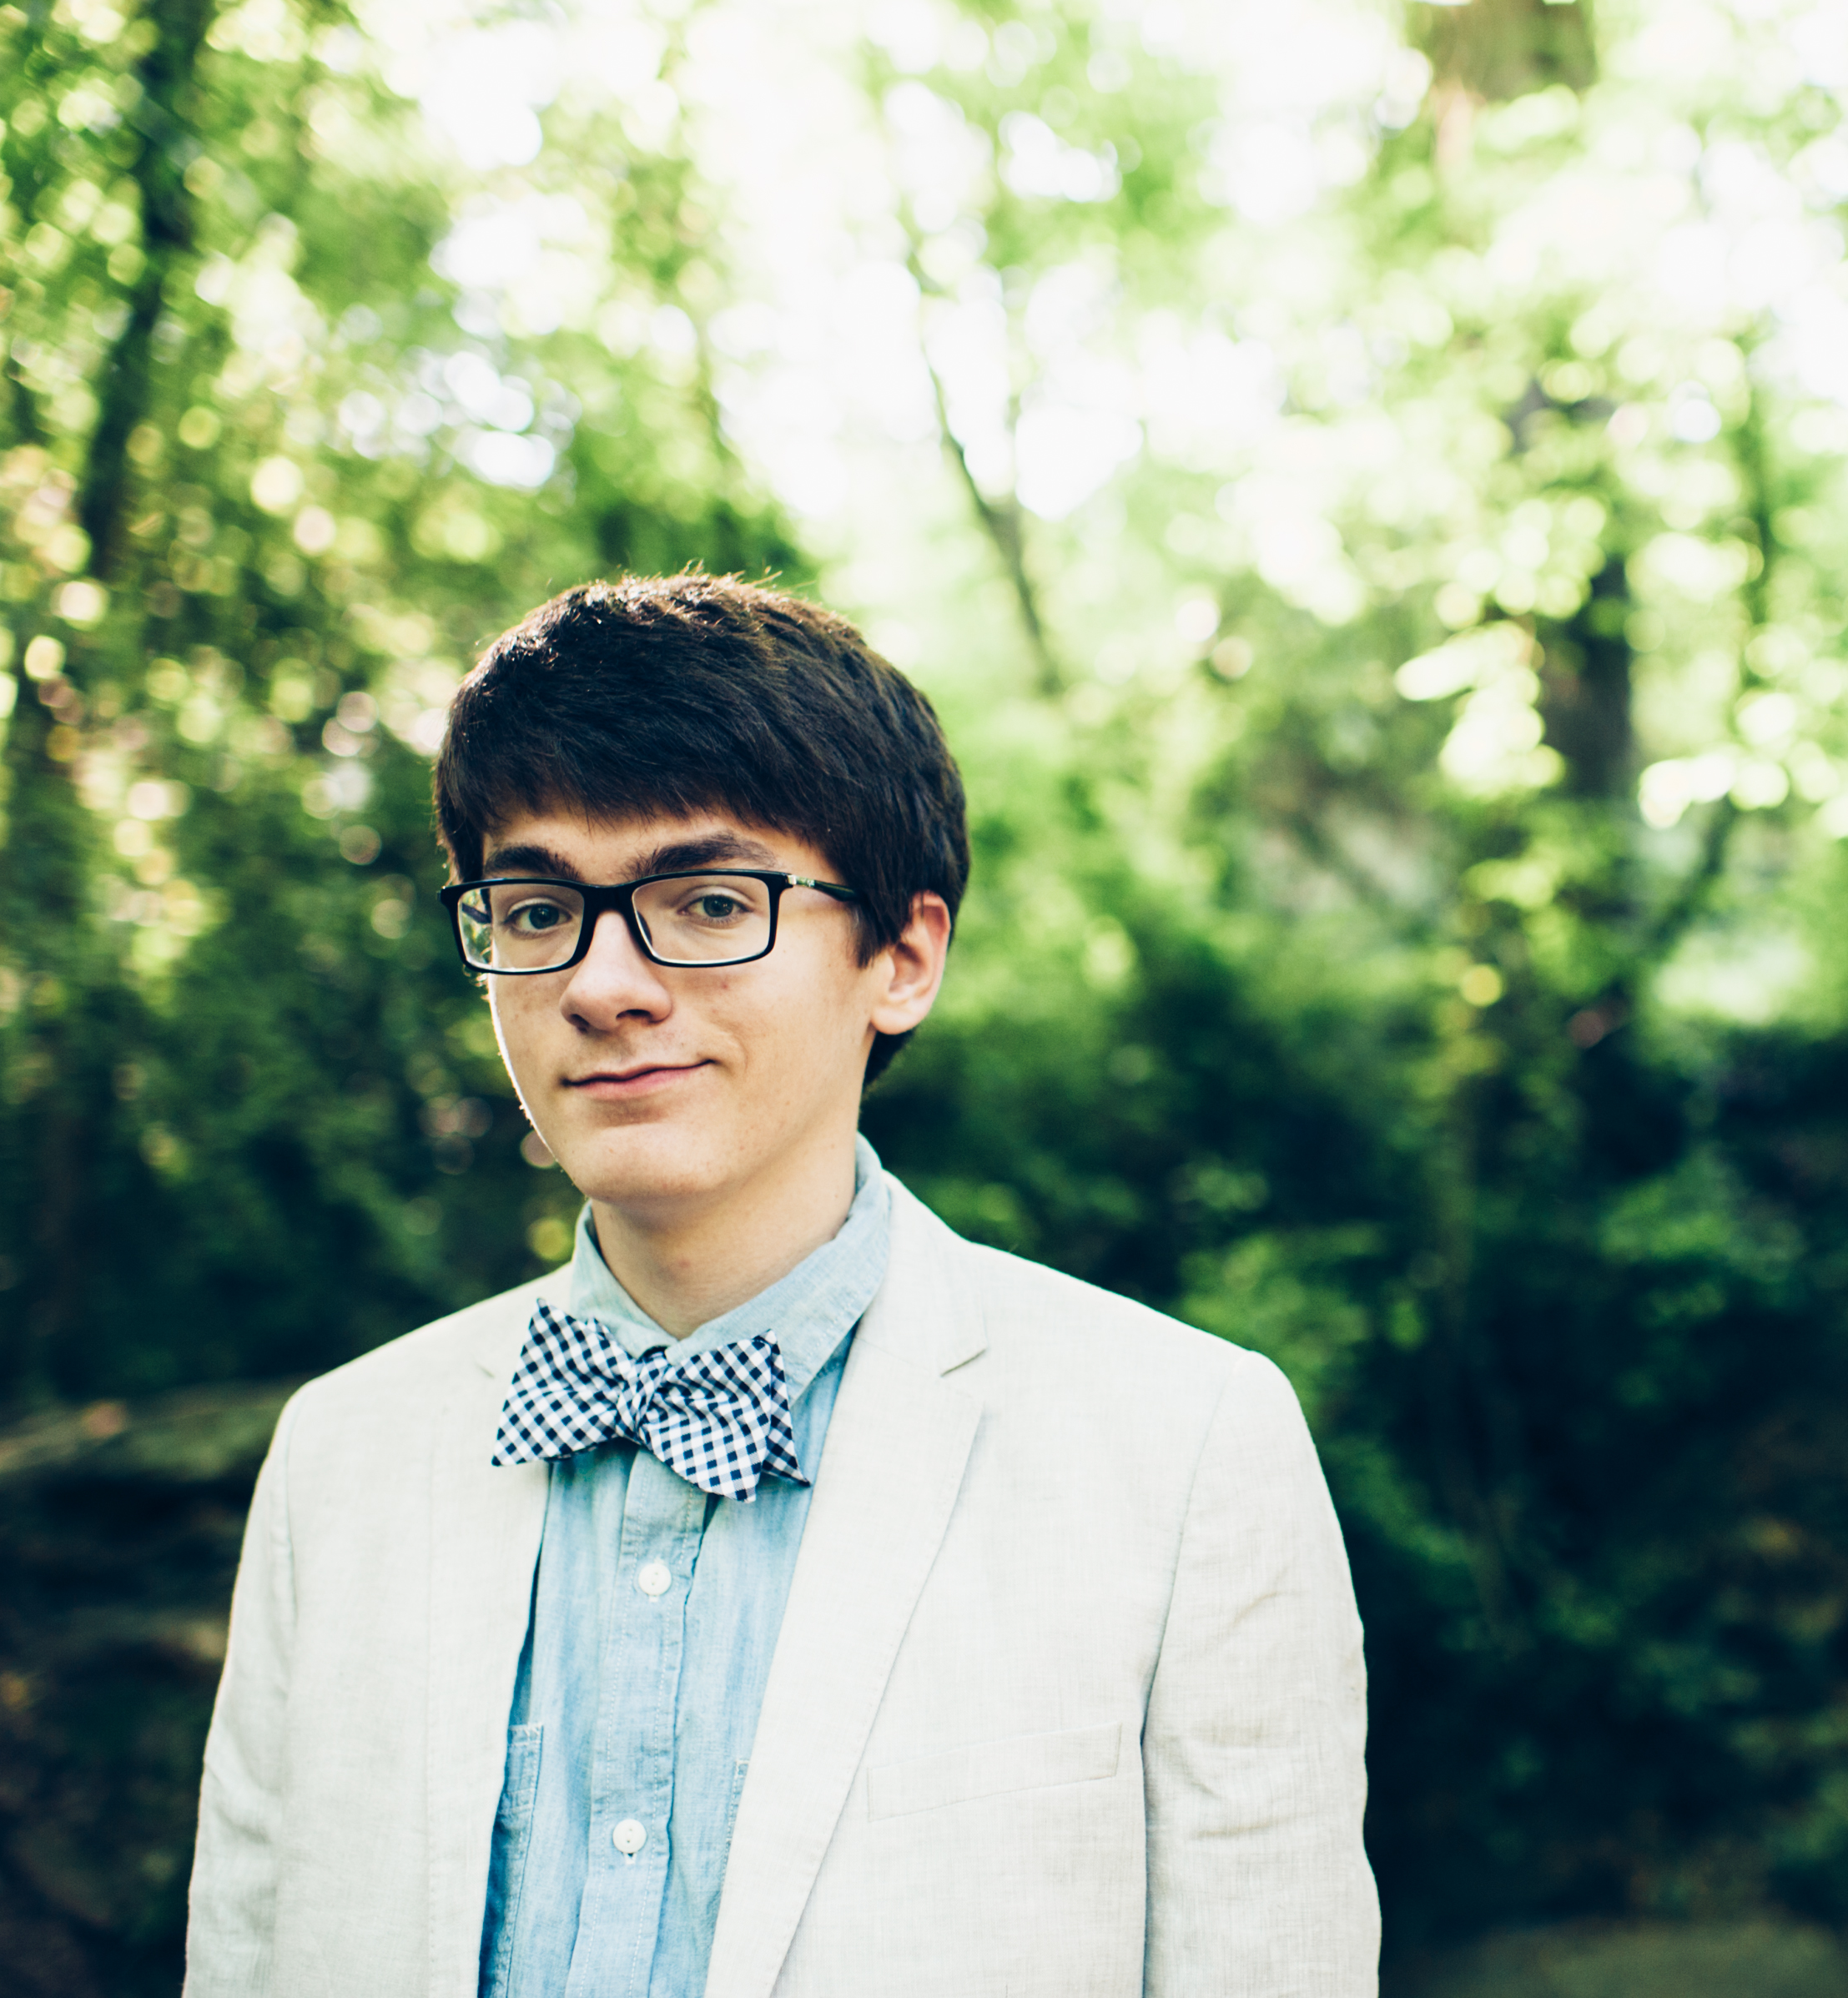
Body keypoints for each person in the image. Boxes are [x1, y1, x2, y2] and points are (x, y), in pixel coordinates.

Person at [183, 574, 1377, 1998]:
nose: (605, 982)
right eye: (537, 904)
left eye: (705, 901)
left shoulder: (1186, 1449)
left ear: (904, 955)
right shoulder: (341, 1453)